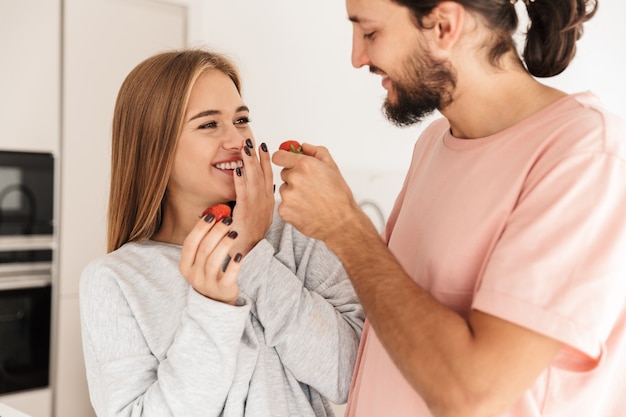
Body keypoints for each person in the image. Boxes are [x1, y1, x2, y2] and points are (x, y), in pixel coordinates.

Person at [272, 0, 626, 416]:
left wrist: (346, 229)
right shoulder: (434, 143)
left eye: (369, 33)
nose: (357, 58)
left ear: (443, 25)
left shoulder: (584, 152)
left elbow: (470, 395)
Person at [79, 48, 364, 417]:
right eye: (209, 124)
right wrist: (212, 309)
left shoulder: (298, 231)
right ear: (155, 149)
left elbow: (348, 376)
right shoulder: (115, 280)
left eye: (241, 119)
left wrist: (254, 252)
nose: (237, 139)